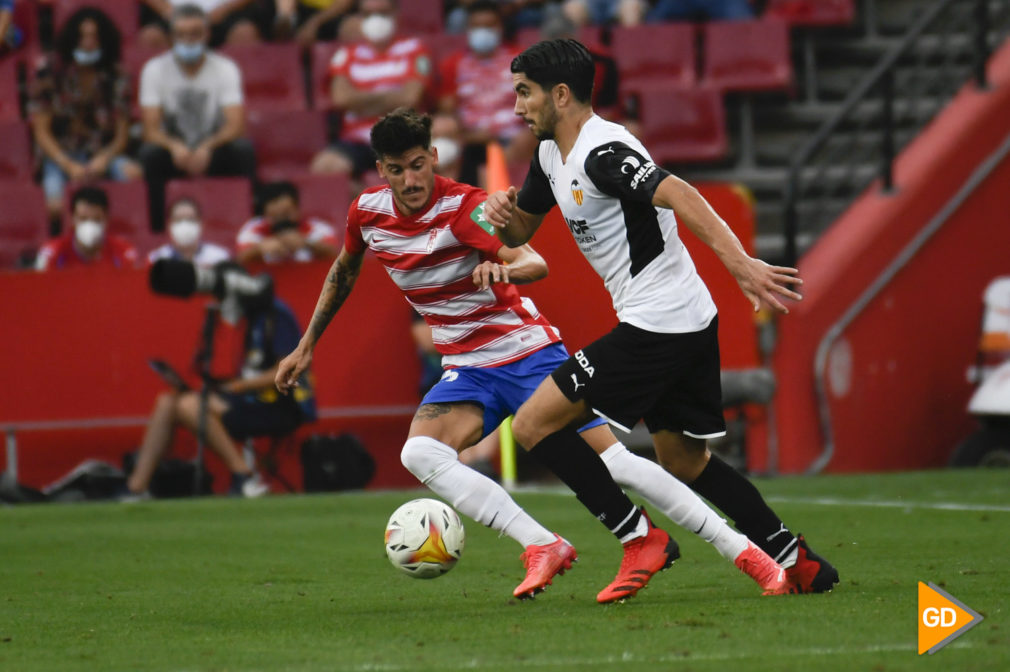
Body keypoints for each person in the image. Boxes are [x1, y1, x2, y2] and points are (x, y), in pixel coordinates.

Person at [276, 108, 790, 603]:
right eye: (396, 170)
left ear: (434, 156)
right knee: (419, 452)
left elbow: (534, 263)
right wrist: (306, 346)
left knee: (619, 464)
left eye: (418, 165)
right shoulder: (367, 213)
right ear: (379, 170)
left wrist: (504, 270)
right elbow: (343, 272)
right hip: (467, 369)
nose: (410, 180)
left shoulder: (466, 208)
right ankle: (542, 543)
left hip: (527, 354)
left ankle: (750, 556)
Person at [485, 39, 839, 594]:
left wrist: (742, 265)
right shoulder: (552, 154)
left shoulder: (602, 151)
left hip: (659, 323)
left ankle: (638, 537)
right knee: (686, 461)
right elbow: (519, 233)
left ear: (560, 94)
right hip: (688, 319)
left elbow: (680, 192)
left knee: (533, 424)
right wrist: (503, 217)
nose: (517, 107)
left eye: (524, 93)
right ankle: (799, 560)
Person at [124, 294, 317, 500]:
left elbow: (289, 368)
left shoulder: (276, 315)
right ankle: (136, 488)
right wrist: (223, 386)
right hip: (248, 400)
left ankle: (243, 475)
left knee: (189, 406)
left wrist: (237, 386)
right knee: (168, 401)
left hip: (280, 404)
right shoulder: (249, 321)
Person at [138, 3, 257, 231]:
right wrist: (174, 146)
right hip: (174, 152)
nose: (188, 40)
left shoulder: (225, 68)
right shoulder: (153, 70)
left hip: (213, 150)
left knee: (243, 151)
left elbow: (236, 125)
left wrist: (207, 147)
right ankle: (158, 229)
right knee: (150, 155)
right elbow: (150, 129)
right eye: (181, 34)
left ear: (207, 34)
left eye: (195, 33)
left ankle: (247, 225)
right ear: (171, 36)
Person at [27, 7, 141, 221]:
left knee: (132, 177)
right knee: (55, 206)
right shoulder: (49, 71)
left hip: (102, 153)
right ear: (72, 37)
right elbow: (41, 131)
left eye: (94, 36)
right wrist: (68, 164)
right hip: (59, 155)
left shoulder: (117, 75)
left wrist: (103, 159)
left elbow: (122, 134)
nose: (88, 42)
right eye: (82, 36)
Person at [309, 0, 432, 177]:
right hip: (356, 140)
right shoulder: (347, 54)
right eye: (368, 14)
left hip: (403, 137)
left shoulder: (414, 49)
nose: (376, 20)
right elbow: (341, 99)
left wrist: (360, 101)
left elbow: (410, 98)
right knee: (325, 166)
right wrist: (391, 99)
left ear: (396, 15)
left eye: (382, 13)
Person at [437, 1, 537, 187]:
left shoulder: (522, 60)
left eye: (489, 25)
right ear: (467, 29)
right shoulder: (453, 64)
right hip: (469, 140)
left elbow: (536, 104)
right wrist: (467, 135)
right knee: (442, 143)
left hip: (510, 139)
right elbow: (447, 109)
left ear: (500, 27)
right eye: (477, 26)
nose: (483, 31)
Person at [36, 186, 138, 271]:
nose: (90, 225)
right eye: (83, 219)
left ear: (107, 220)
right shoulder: (53, 253)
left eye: (96, 220)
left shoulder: (123, 252)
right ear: (72, 219)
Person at [236, 181, 339, 265]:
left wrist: (307, 244)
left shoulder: (317, 228)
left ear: (297, 209)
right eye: (274, 216)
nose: (281, 220)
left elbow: (336, 255)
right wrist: (259, 249)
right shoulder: (253, 229)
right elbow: (239, 259)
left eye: (286, 214)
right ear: (265, 215)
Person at [139, 0, 264, 49]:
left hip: (226, 14)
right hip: (171, 15)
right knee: (151, 36)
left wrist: (225, 9)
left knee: (245, 33)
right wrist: (166, 10)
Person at [148, 196, 232, 267]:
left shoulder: (219, 258)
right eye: (178, 220)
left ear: (201, 224)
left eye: (191, 219)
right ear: (169, 225)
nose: (185, 225)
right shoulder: (157, 259)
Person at [272, 0, 353, 46]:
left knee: (351, 27)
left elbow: (343, 3)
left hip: (329, 15)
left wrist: (314, 23)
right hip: (299, 10)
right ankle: (286, 22)